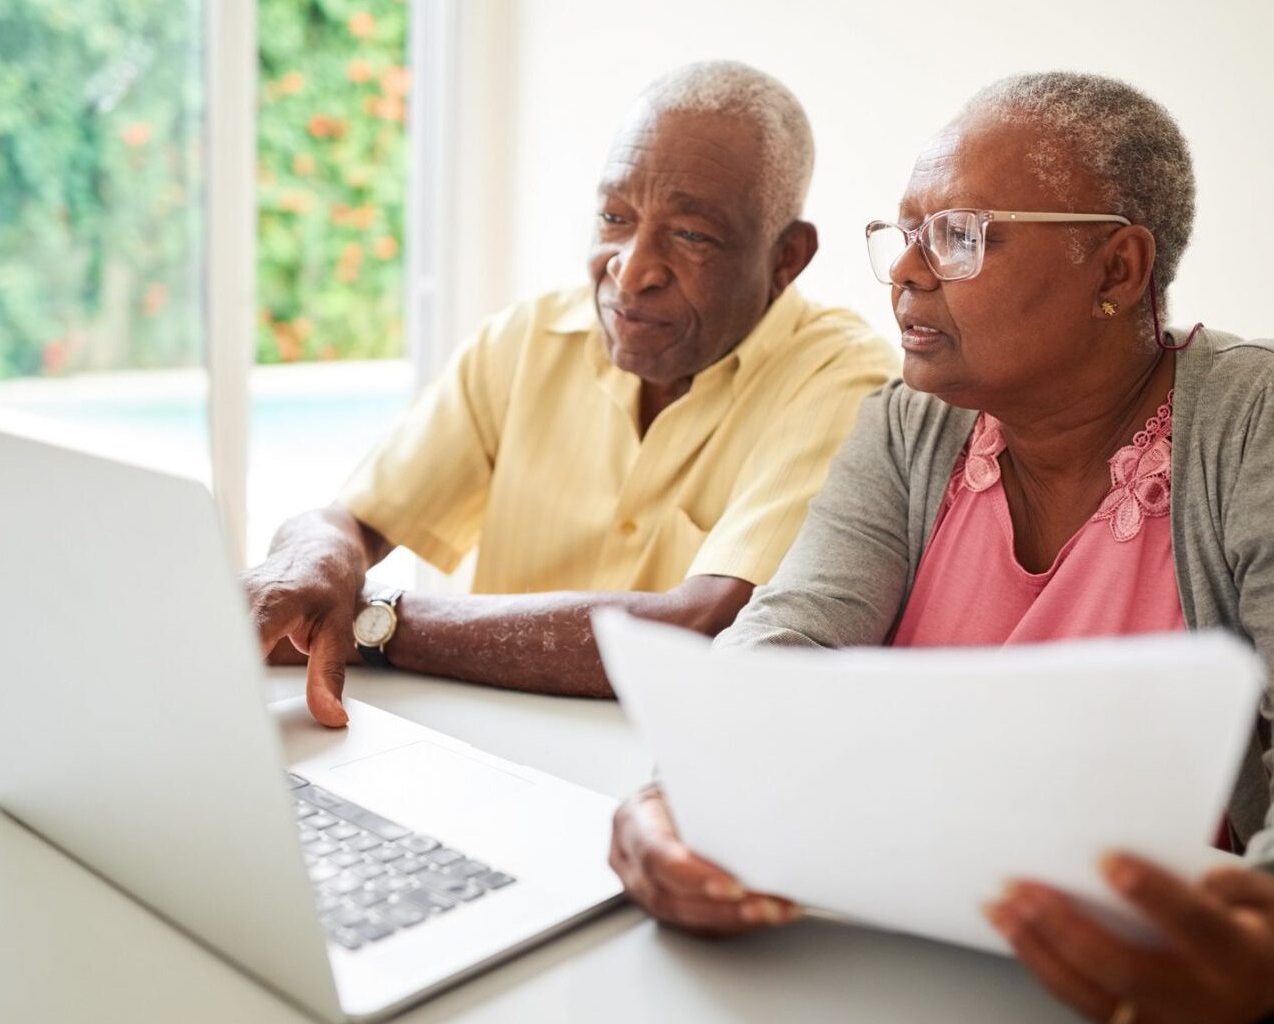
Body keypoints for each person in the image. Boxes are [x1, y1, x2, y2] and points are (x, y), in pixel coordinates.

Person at [609, 72, 1274, 1024]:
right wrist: (675, 798)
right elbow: (787, 643)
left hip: (1151, 984)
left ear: (1117, 270)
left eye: (959, 236)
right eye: (904, 235)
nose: (905, 272)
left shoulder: (1272, 416)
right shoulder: (907, 427)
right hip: (900, 965)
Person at [245, 61, 897, 728]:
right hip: (481, 745)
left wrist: (379, 623)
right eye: (615, 217)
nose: (631, 269)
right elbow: (351, 521)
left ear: (786, 258)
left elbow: (709, 626)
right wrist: (315, 563)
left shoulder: (848, 384)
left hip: (663, 782)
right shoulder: (529, 339)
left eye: (692, 235)